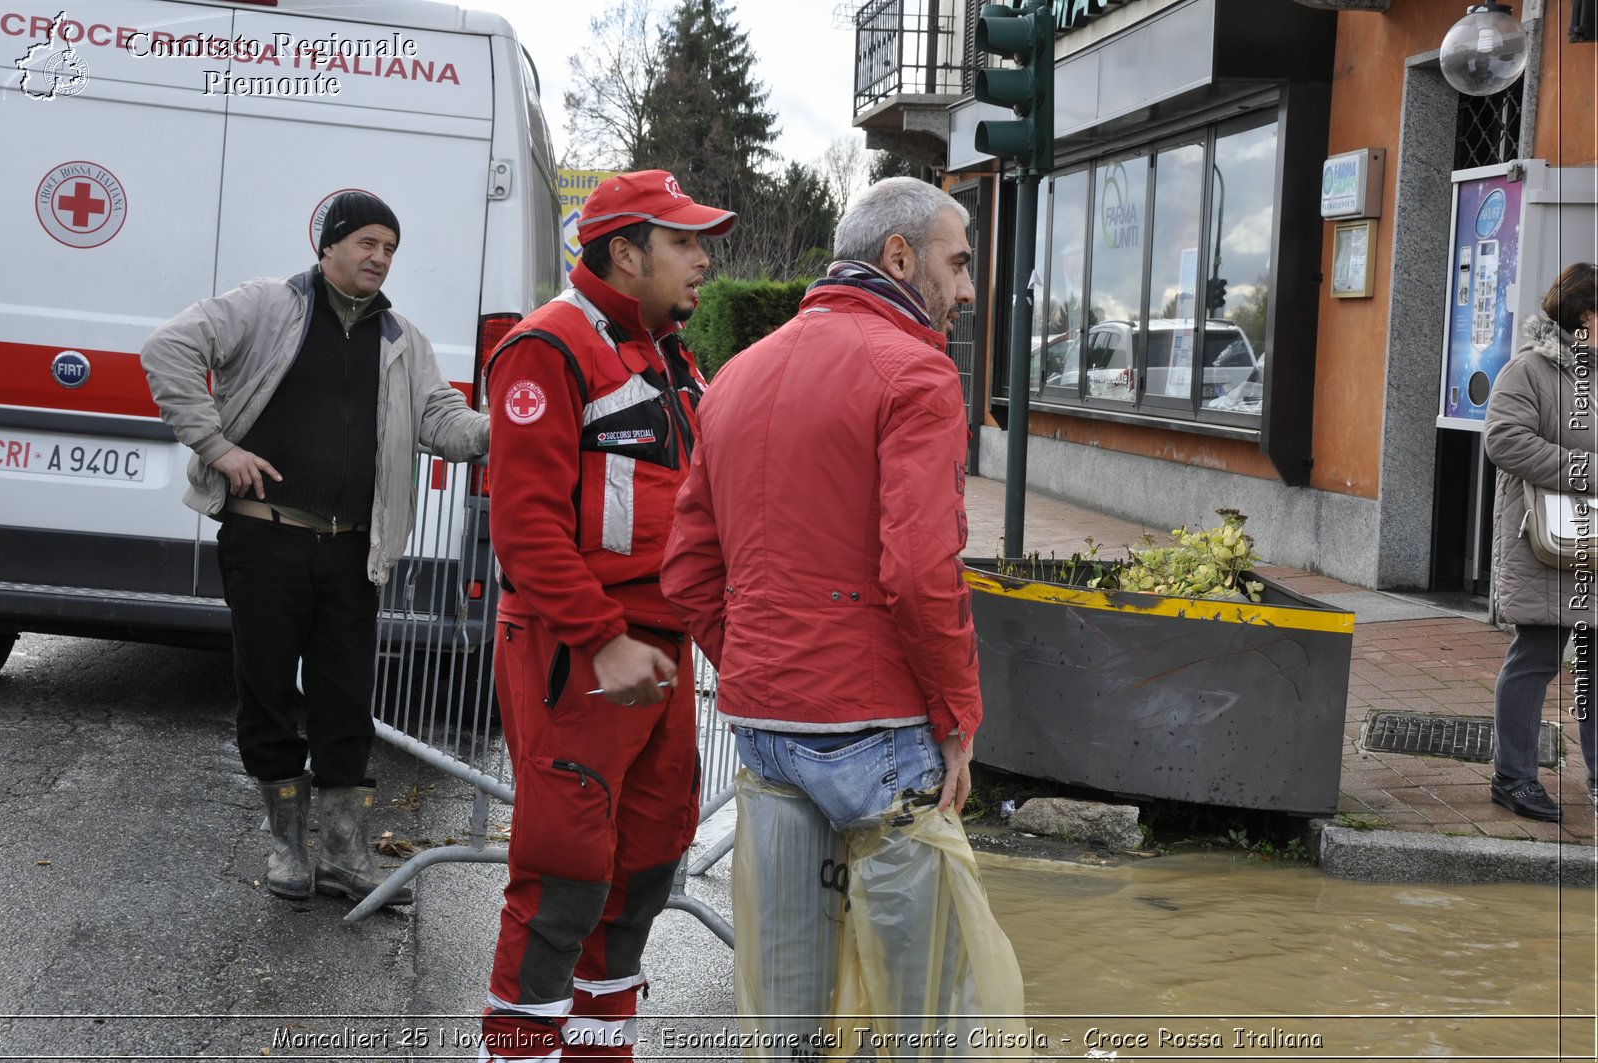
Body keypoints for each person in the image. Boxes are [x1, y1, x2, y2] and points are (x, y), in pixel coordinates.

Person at [661, 176, 1024, 1054]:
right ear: (899, 257)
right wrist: (959, 718)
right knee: (921, 1017)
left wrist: (754, 656)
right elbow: (920, 572)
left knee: (790, 1009)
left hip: (767, 727)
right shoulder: (917, 373)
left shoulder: (738, 375)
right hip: (883, 730)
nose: (969, 288)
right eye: (960, 262)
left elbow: (687, 570)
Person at [141, 191, 488, 905]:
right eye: (366, 242)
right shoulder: (269, 305)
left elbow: (445, 424)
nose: (379, 257)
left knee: (345, 701)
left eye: (389, 248)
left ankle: (344, 853)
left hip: (354, 551)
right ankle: (287, 847)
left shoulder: (403, 341)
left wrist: (505, 425)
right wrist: (216, 446)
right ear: (328, 245)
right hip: (266, 537)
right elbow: (167, 349)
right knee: (266, 693)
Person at [478, 170, 735, 1061]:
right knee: (564, 875)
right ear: (625, 252)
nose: (704, 260)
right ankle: (518, 1050)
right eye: (684, 242)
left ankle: (597, 1048)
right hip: (579, 652)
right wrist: (602, 639)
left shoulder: (671, 352)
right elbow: (523, 527)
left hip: (658, 656)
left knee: (646, 866)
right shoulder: (544, 347)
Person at [1484, 261, 1597, 821]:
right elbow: (1505, 441)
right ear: (1585, 317)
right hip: (1547, 543)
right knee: (1538, 656)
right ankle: (1515, 776)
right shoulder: (1529, 371)